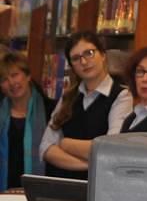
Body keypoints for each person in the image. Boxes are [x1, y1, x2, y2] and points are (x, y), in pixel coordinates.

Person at [40, 31, 132, 179]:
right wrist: (88, 165)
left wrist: (65, 143)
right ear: (72, 66)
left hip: (98, 187)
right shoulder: (68, 97)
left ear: (103, 55)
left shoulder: (122, 96)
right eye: (76, 58)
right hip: (62, 184)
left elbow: (109, 149)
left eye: (89, 53)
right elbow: (46, 148)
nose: (83, 62)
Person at [0, 51, 55, 190]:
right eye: (4, 79)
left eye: (15, 75)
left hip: (40, 191)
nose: (11, 83)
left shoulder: (51, 110)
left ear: (28, 76)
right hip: (3, 192)